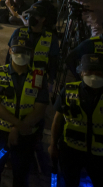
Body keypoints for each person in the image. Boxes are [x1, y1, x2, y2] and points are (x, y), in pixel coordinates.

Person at [0, 45, 49, 187]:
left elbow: (40, 110)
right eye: (17, 51)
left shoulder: (39, 78)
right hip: (0, 137)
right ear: (10, 51)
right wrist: (18, 126)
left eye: (25, 52)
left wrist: (15, 130)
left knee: (21, 176)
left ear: (31, 53)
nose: (20, 55)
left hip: (25, 139)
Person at [49, 54, 103, 187]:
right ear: (82, 72)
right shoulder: (69, 90)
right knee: (69, 182)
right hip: (71, 151)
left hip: (99, 155)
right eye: (89, 71)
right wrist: (53, 145)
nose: (93, 76)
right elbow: (57, 121)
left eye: (98, 72)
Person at [6, 5, 60, 81]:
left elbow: (53, 61)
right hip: (18, 73)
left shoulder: (51, 37)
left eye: (35, 15)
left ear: (43, 19)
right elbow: (9, 54)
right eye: (30, 15)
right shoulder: (18, 32)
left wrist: (51, 80)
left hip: (38, 77)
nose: (31, 17)